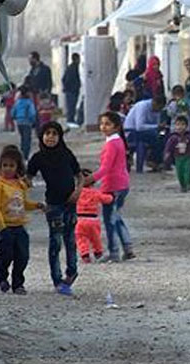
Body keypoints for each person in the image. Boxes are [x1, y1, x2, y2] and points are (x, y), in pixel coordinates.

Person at [26, 122, 83, 296]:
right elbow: (28, 178)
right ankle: (57, 280)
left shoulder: (67, 154)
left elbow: (79, 176)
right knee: (55, 242)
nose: (50, 137)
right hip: (53, 205)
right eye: (47, 133)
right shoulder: (38, 158)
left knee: (71, 241)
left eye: (54, 134)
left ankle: (72, 272)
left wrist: (78, 191)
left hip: (70, 204)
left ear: (60, 137)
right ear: (41, 136)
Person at [0, 145, 43, 296]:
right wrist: (2, 228)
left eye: (11, 165)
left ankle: (18, 284)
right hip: (6, 227)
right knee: (6, 255)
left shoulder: (20, 185)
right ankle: (2, 277)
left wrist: (37, 205)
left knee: (23, 256)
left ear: (17, 167)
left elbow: (24, 204)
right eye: (5, 165)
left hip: (20, 227)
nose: (8, 168)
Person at [85, 111, 136, 262]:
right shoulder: (118, 140)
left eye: (107, 124)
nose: (104, 127)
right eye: (102, 124)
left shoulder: (112, 144)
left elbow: (105, 168)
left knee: (110, 220)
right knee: (117, 217)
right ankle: (127, 247)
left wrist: (89, 179)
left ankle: (113, 251)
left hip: (112, 186)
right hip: (122, 184)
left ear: (116, 126)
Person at [124, 95, 167, 173]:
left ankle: (156, 162)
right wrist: (156, 126)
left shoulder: (157, 111)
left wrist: (159, 128)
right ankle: (151, 161)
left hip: (146, 132)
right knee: (153, 139)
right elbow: (139, 126)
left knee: (162, 137)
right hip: (132, 131)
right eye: (158, 108)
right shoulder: (142, 107)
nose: (158, 111)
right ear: (154, 103)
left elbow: (155, 125)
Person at [74, 180, 112, 263]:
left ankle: (85, 254)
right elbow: (106, 199)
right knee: (96, 238)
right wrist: (111, 196)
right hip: (93, 219)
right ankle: (98, 253)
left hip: (80, 219)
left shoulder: (76, 193)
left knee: (81, 238)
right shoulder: (95, 192)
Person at [163, 115, 190, 192]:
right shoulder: (173, 138)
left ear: (186, 126)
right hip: (177, 157)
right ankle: (182, 185)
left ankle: (188, 184)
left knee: (187, 171)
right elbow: (168, 147)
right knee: (179, 172)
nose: (180, 127)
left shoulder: (189, 137)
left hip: (188, 157)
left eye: (182, 124)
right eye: (178, 124)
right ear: (175, 126)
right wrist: (167, 153)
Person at [12, 87, 37, 158]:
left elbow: (13, 112)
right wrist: (33, 121)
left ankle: (22, 152)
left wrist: (15, 118)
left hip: (19, 122)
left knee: (22, 138)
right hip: (27, 122)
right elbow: (32, 113)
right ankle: (25, 155)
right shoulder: (29, 102)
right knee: (27, 139)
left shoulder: (17, 102)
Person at [62, 53, 82, 125]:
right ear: (76, 59)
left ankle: (70, 119)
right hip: (72, 90)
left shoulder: (70, 67)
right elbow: (67, 79)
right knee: (71, 105)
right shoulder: (73, 68)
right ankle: (70, 120)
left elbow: (64, 78)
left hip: (71, 90)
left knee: (71, 105)